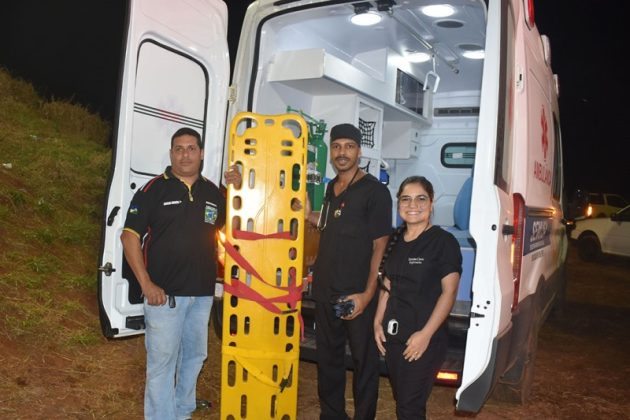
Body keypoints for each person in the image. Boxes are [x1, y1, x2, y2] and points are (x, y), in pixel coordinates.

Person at [120, 127, 241, 420]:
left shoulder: (213, 193)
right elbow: (129, 237)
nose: (185, 154)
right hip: (164, 297)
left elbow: (235, 224)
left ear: (201, 153)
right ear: (171, 154)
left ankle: (182, 412)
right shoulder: (152, 190)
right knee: (162, 363)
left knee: (194, 357)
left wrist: (237, 190)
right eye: (179, 149)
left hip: (201, 296)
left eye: (191, 148)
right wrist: (146, 284)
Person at [305, 123, 393, 420]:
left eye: (349, 146)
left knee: (364, 363)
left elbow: (380, 245)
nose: (342, 152)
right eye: (336, 146)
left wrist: (368, 294)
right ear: (331, 152)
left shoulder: (375, 192)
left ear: (359, 151)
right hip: (326, 291)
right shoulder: (332, 187)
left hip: (355, 295)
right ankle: (332, 415)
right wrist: (307, 214)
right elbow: (331, 222)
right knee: (328, 360)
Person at [373, 176, 462, 420]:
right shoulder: (395, 239)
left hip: (423, 340)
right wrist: (377, 321)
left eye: (421, 198)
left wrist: (425, 335)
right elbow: (388, 283)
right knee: (402, 400)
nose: (413, 205)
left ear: (431, 203)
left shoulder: (443, 242)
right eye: (406, 199)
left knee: (409, 407)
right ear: (398, 204)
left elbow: (449, 292)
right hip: (394, 338)